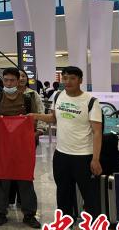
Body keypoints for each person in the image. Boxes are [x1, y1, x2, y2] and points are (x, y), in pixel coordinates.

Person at [30, 66, 102, 219]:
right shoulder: (58, 96)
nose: (68, 81)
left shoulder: (91, 101)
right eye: (65, 78)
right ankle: (65, 223)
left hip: (84, 156)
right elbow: (53, 118)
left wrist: (95, 159)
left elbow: (97, 132)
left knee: (89, 195)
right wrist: (35, 116)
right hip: (61, 154)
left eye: (72, 78)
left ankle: (94, 226)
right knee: (63, 192)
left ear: (80, 80)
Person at [0, 67, 41, 228]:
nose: (9, 83)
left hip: (22, 147)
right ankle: (0, 212)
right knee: (2, 180)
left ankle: (29, 214)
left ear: (18, 81)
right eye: (6, 80)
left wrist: (34, 134)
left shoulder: (27, 99)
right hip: (2, 147)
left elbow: (34, 119)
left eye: (12, 80)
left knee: (25, 179)